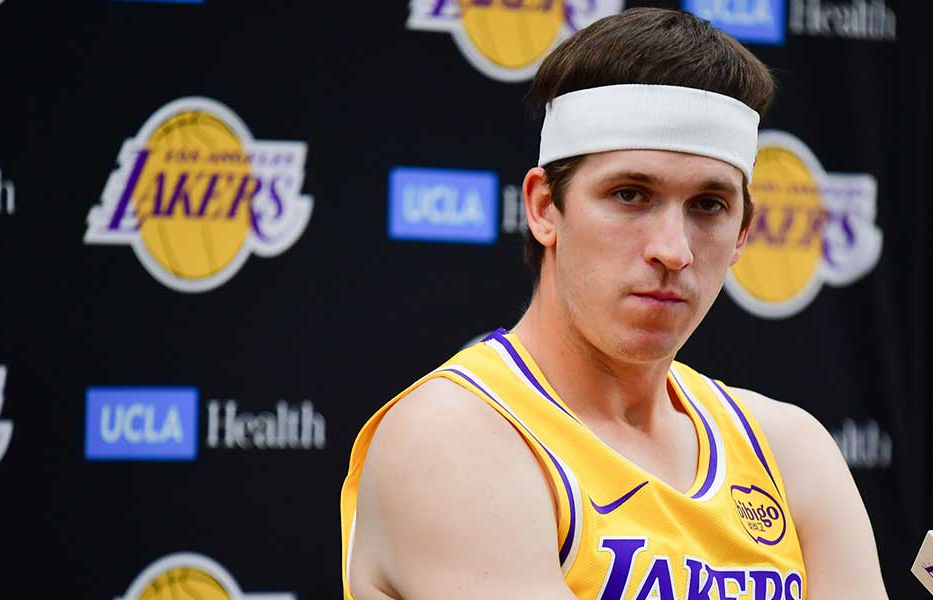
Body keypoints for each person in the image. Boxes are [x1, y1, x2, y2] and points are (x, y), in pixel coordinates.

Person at [341, 8, 888, 600]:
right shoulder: (452, 438)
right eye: (631, 194)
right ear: (546, 207)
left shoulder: (788, 448)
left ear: (743, 232)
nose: (673, 250)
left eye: (708, 205)